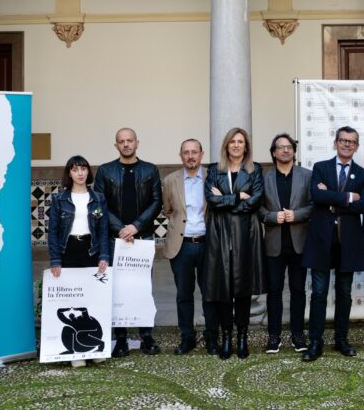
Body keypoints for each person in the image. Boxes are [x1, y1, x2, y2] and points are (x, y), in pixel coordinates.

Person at [301, 126, 364, 361]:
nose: (347, 144)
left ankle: (341, 340)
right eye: (343, 140)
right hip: (321, 240)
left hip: (348, 242)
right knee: (319, 293)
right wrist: (348, 197)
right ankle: (315, 342)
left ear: (357, 146)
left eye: (352, 141)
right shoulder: (321, 168)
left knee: (344, 293)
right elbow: (316, 196)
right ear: (335, 143)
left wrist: (331, 199)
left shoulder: (362, 175)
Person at [93, 128, 162, 357]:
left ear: (137, 143)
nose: (126, 144)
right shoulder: (105, 171)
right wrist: (122, 230)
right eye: (121, 141)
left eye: (129, 140)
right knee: (118, 289)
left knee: (144, 288)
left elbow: (156, 202)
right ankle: (120, 339)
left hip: (142, 237)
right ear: (116, 145)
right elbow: (100, 204)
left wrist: (136, 226)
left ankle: (147, 337)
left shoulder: (150, 170)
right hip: (116, 240)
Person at [204, 127, 266, 359]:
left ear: (246, 146)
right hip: (219, 235)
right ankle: (226, 336)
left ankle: (242, 337)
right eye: (232, 141)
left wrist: (226, 201)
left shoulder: (255, 169)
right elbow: (211, 200)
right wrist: (238, 197)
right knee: (223, 289)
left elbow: (256, 201)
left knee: (242, 289)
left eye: (241, 141)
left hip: (245, 235)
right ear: (226, 146)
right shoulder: (214, 170)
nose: (237, 145)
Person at [47, 155, 110, 367]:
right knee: (72, 300)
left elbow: (103, 229)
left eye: (83, 169)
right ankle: (76, 353)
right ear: (69, 173)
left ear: (88, 172)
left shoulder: (98, 198)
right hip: (68, 250)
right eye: (75, 169)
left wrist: (103, 255)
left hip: (90, 249)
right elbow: (53, 231)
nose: (80, 173)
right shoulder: (59, 200)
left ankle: (91, 348)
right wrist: (55, 259)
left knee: (91, 299)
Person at [161, 138, 217, 355]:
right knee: (184, 294)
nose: (191, 156)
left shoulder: (212, 177)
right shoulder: (170, 180)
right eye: (186, 152)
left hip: (208, 244)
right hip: (181, 246)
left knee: (209, 293)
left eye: (195, 152)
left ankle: (212, 336)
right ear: (180, 155)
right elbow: (168, 210)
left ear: (201, 154)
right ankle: (187, 337)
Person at [259, 134, 313, 354]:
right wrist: (273, 217)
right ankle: (274, 337)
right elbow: (258, 208)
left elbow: (313, 205)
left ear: (294, 150)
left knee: (298, 290)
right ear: (273, 152)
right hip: (274, 243)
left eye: (288, 147)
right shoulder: (264, 178)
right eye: (280, 147)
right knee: (274, 291)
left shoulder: (306, 176)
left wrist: (296, 215)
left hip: (299, 243)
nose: (285, 151)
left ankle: (298, 335)